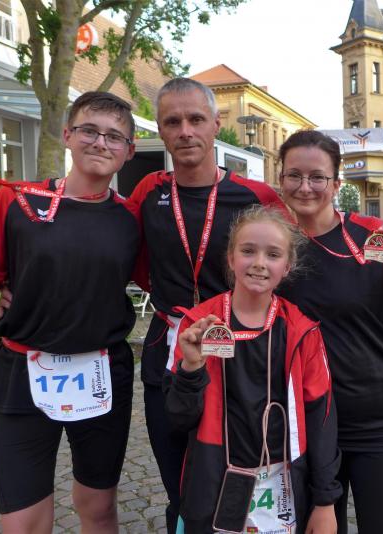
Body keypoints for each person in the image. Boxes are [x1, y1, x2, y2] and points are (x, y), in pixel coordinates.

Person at [0, 92, 139, 532]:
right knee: (23, 521)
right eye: (89, 130)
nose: (100, 142)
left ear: (129, 150)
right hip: (22, 369)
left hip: (102, 372)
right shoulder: (18, 201)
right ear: (67, 135)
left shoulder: (131, 218)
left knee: (98, 507)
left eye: (114, 136)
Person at [124, 78, 289, 533]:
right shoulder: (148, 193)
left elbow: (291, 267)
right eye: (173, 121)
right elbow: (124, 258)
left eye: (196, 119)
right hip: (168, 349)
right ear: (160, 129)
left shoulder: (256, 197)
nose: (185, 131)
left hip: (242, 357)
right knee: (177, 481)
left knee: (238, 473)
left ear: (216, 124)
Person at [276, 130, 383, 534]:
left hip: (380, 417)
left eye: (317, 177)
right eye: (294, 175)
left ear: (336, 184)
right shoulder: (272, 244)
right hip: (306, 423)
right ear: (280, 180)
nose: (305, 186)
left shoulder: (372, 236)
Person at [165, 206, 341, 533]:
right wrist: (191, 367)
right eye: (248, 251)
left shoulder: (302, 332)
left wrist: (325, 501)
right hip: (212, 482)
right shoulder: (197, 326)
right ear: (231, 258)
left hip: (284, 482)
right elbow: (178, 419)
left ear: (287, 266)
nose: (259, 263)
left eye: (272, 254)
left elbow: (321, 420)